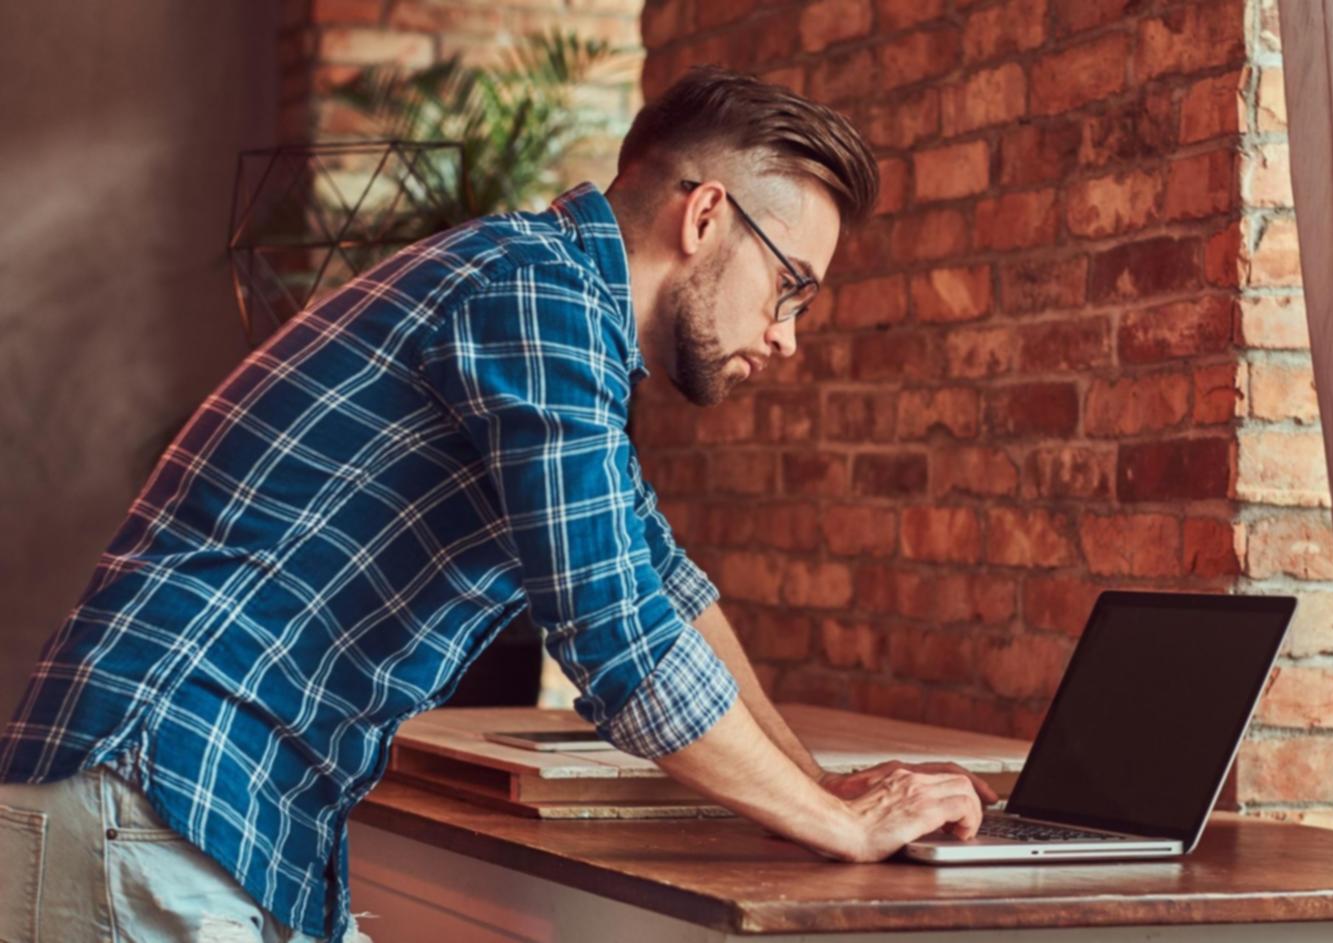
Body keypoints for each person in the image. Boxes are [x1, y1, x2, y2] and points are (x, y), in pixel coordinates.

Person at [0, 66, 992, 943]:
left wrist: (818, 789)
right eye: (792, 290)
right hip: (160, 789)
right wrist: (838, 825)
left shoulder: (559, 317)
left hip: (206, 809)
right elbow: (619, 640)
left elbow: (662, 588)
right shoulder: (534, 291)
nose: (786, 338)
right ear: (704, 219)